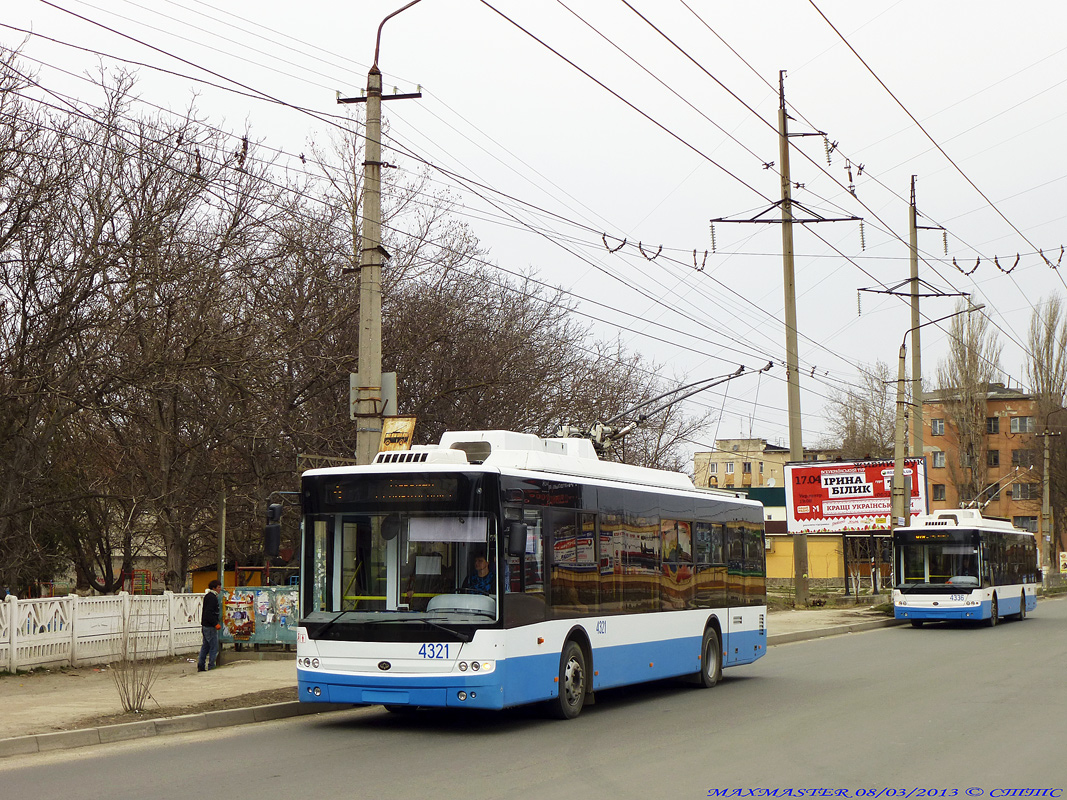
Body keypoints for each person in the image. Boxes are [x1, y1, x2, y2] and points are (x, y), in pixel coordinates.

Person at [197, 579, 222, 672]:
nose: (220, 589)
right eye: (218, 587)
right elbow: (209, 613)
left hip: (205, 625)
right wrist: (215, 623)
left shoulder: (208, 596)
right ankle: (211, 665)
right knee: (213, 647)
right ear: (214, 588)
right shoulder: (212, 598)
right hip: (210, 626)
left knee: (206, 646)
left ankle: (201, 665)